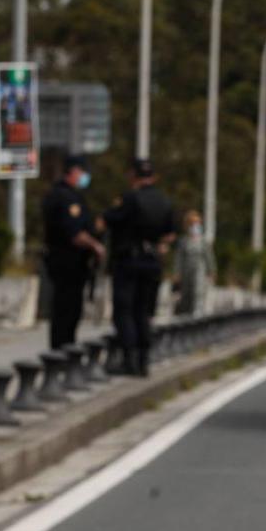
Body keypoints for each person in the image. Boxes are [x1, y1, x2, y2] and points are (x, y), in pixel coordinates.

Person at [105, 159, 176, 376]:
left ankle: (129, 360)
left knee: (125, 311)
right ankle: (144, 361)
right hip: (152, 262)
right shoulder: (165, 202)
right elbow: (170, 234)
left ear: (133, 176)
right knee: (145, 312)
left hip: (129, 261)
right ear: (153, 177)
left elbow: (110, 220)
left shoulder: (130, 199)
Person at [41, 155, 105, 349]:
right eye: (83, 172)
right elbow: (75, 234)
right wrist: (96, 246)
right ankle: (62, 351)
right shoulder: (66, 197)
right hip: (67, 262)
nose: (85, 177)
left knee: (69, 310)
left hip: (69, 263)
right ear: (74, 171)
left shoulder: (65, 194)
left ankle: (64, 349)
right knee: (66, 311)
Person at [173, 210, 214, 317]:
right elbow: (179, 258)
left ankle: (197, 314)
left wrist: (211, 271)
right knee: (186, 295)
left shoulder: (203, 241)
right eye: (192, 223)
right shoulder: (184, 241)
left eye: (197, 223)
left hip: (200, 269)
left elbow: (208, 257)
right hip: (186, 271)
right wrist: (177, 273)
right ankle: (185, 316)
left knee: (198, 292)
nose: (195, 226)